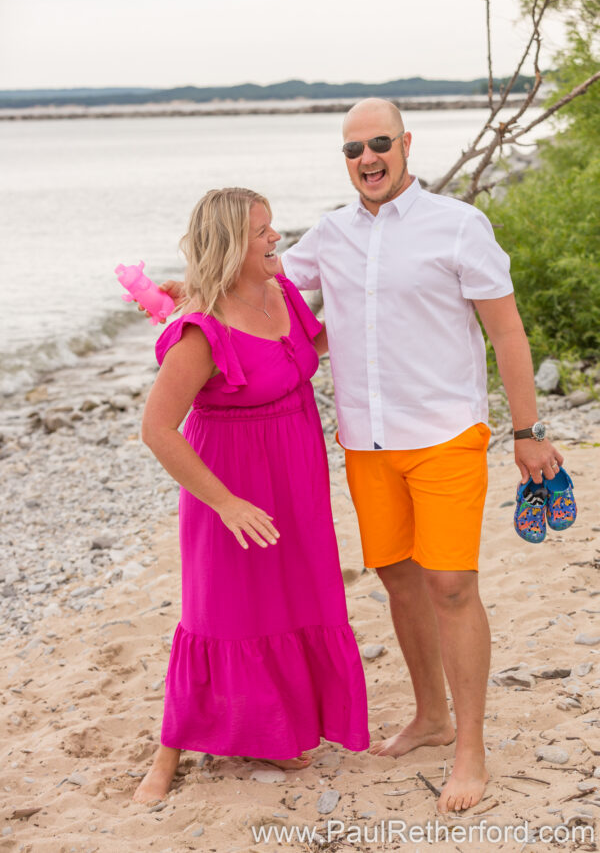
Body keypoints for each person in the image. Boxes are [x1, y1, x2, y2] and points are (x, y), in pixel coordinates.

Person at [153, 100, 564, 813]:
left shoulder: (459, 226)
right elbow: (256, 282)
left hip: (445, 436)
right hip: (365, 446)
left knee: (452, 588)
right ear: (344, 159)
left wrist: (527, 430)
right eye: (353, 149)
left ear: (406, 144)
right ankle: (430, 718)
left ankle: (470, 749)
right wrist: (182, 292)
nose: (368, 158)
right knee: (402, 583)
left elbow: (507, 333)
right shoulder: (328, 238)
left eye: (380, 143)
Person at [133, 187, 369, 804]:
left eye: (271, 228)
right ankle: (167, 754)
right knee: (220, 611)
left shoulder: (283, 293)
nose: (275, 239)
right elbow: (157, 430)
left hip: (297, 471)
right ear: (231, 245)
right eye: (262, 232)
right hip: (229, 487)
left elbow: (304, 349)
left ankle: (275, 729)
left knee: (294, 594)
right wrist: (226, 503)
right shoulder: (199, 331)